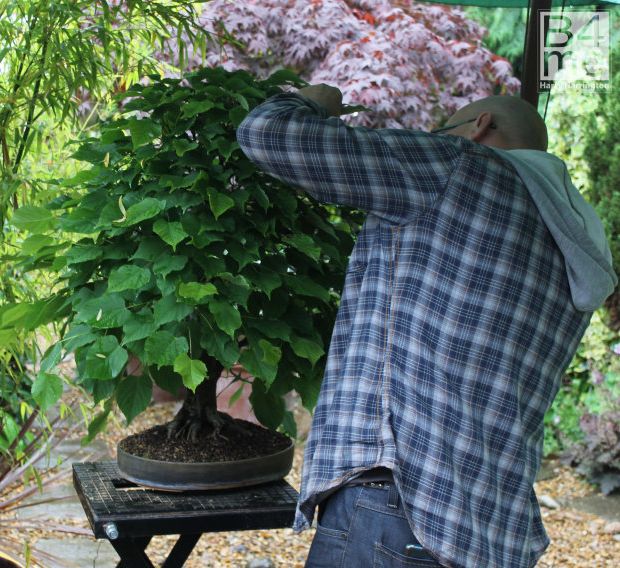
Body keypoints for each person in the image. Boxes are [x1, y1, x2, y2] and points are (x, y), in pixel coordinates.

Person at [236, 84, 617, 568]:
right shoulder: (574, 243)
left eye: (443, 131)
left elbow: (266, 134)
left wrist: (315, 102)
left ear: (479, 127)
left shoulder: (459, 165)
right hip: (491, 531)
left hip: (398, 510)